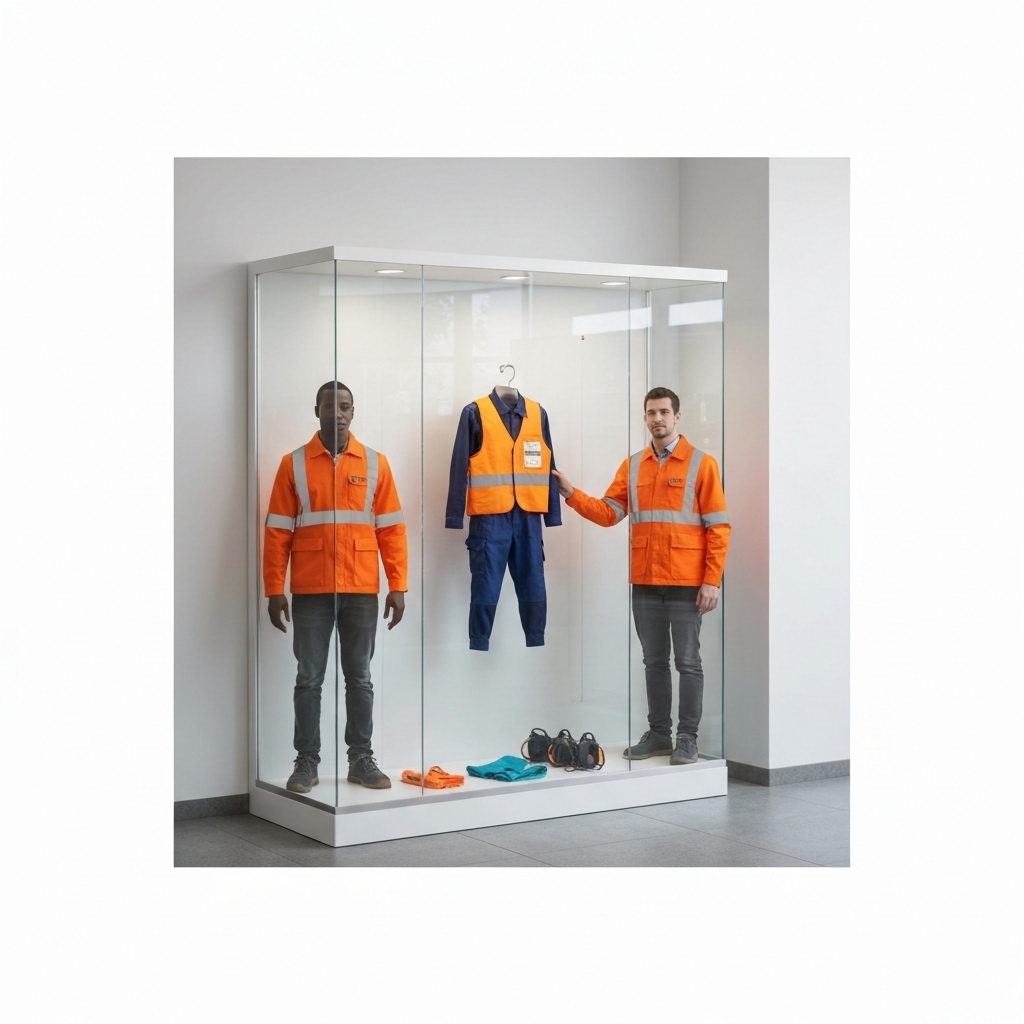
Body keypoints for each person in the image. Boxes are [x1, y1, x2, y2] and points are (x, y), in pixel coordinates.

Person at [551, 387, 730, 765]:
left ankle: (687, 739)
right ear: (645, 418)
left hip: (686, 583)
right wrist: (571, 493)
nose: (658, 419)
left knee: (688, 663)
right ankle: (660, 735)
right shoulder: (633, 466)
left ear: (677, 416)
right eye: (651, 413)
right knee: (654, 662)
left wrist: (712, 579)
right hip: (646, 581)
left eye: (664, 412)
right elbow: (609, 513)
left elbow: (719, 527)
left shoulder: (702, 464)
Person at [263, 381, 407, 792]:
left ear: (353, 411)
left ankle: (361, 759)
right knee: (309, 678)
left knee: (359, 677)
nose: (338, 413)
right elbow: (276, 531)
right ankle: (306, 761)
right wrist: (274, 588)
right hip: (311, 590)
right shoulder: (293, 464)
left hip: (361, 588)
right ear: (317, 410)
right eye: (330, 406)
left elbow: (393, 529)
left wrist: (398, 583)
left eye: (345, 407)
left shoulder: (376, 463)